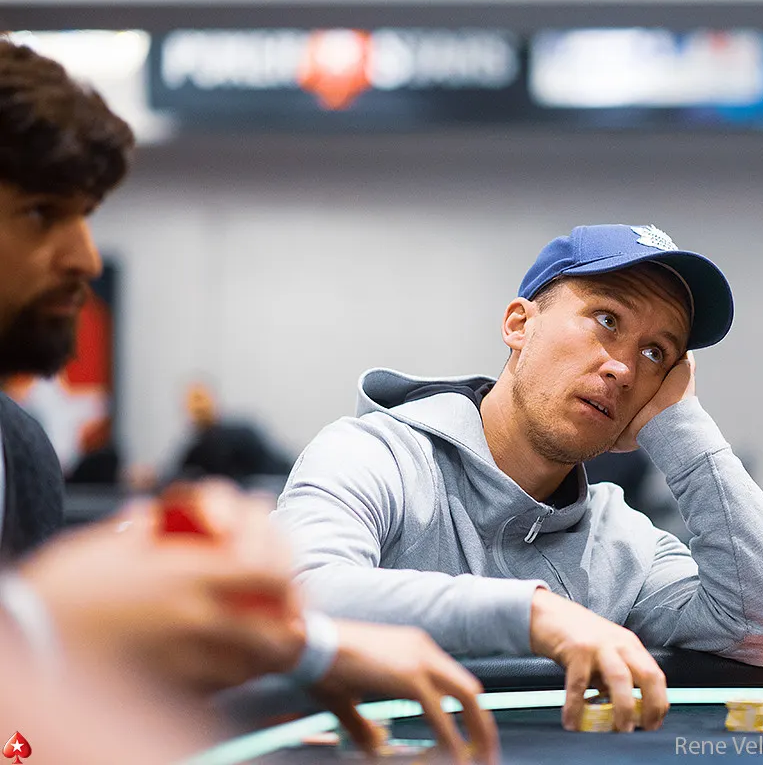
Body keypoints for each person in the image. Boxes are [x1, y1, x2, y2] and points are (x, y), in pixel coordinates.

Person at [0, 38, 498, 764]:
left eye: (85, 215)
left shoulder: (19, 453)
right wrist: (52, 621)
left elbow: (19, 737)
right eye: (41, 213)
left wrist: (291, 649)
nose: (86, 257)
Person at [273, 222, 763, 732]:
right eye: (607, 320)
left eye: (656, 353)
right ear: (520, 324)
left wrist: (681, 429)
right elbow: (290, 599)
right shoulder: (374, 455)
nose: (624, 369)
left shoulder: (624, 544)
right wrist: (535, 615)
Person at [171, 381, 295, 486]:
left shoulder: (240, 434)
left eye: (201, 400)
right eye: (194, 403)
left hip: (271, 485)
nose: (200, 407)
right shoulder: (196, 449)